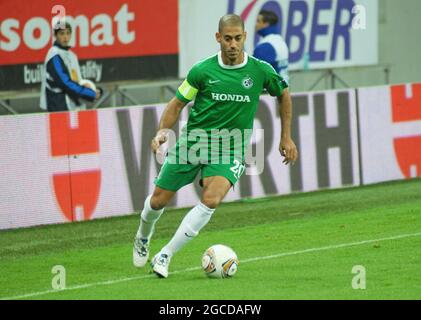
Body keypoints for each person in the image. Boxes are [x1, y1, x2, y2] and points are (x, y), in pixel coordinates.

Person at [133, 14, 298, 278]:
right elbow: (177, 103)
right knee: (157, 200)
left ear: (245, 37)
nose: (233, 44)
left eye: (238, 38)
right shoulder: (202, 70)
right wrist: (163, 131)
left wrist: (286, 136)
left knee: (211, 199)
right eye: (228, 38)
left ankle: (165, 255)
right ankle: (143, 236)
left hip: (230, 148)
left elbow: (284, 94)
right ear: (218, 38)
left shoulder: (260, 70)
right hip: (193, 143)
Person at [40, 21, 101, 112]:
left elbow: (77, 80)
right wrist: (89, 93)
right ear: (55, 35)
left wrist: (92, 90)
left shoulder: (72, 56)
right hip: (57, 106)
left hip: (73, 106)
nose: (65, 37)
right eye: (62, 33)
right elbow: (65, 83)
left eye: (68, 33)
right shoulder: (53, 55)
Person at [254, 10, 289, 84]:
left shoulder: (265, 46)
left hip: (269, 93)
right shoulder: (280, 41)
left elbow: (255, 73)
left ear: (266, 24)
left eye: (258, 21)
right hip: (283, 89)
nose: (255, 25)